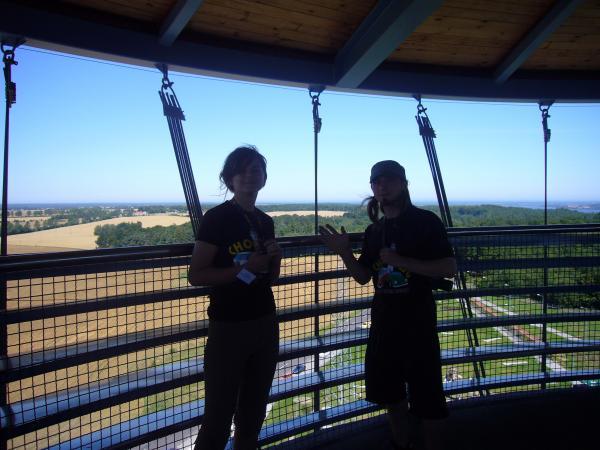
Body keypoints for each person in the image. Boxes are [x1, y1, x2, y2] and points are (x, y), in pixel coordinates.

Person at [319, 160, 456, 450]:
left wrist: (401, 261)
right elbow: (363, 277)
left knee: (428, 396)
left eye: (389, 180)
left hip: (418, 323)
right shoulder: (374, 231)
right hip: (384, 323)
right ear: (372, 187)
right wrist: (344, 253)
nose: (382, 185)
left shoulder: (426, 222)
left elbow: (448, 268)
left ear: (404, 184)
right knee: (391, 394)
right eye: (377, 181)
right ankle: (401, 444)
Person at [189, 145, 282, 450]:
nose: (249, 175)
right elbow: (197, 275)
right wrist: (242, 268)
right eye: (241, 170)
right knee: (218, 416)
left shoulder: (265, 222)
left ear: (264, 177)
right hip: (228, 326)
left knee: (253, 414)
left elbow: (269, 278)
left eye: (255, 169)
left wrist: (276, 260)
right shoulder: (217, 219)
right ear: (229, 178)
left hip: (265, 322)